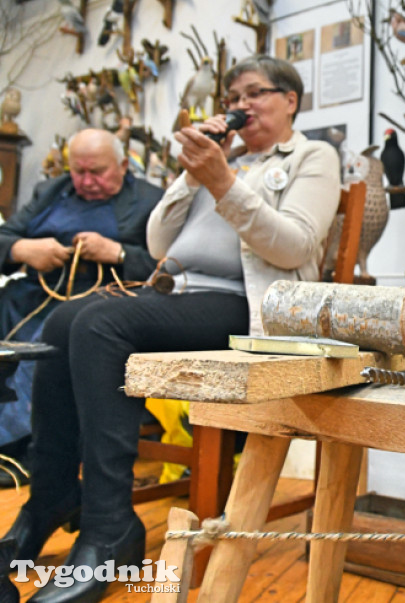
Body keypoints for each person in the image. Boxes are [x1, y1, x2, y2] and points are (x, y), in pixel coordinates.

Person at [2, 55, 340, 602]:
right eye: (234, 97)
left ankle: (110, 526)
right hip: (177, 293)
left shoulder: (311, 156)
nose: (241, 105)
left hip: (245, 304)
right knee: (64, 320)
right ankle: (52, 495)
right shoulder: (217, 162)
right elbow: (159, 245)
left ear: (291, 100)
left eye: (255, 93)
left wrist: (223, 181)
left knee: (100, 323)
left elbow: (295, 246)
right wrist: (191, 175)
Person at [0, 128, 162, 487]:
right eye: (79, 171)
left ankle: (21, 449)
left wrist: (119, 253)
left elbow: (172, 268)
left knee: (47, 340)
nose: (86, 181)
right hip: (34, 292)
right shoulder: (51, 191)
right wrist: (22, 250)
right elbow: (5, 237)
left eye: (97, 172)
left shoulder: (152, 200)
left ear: (123, 165)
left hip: (102, 298)